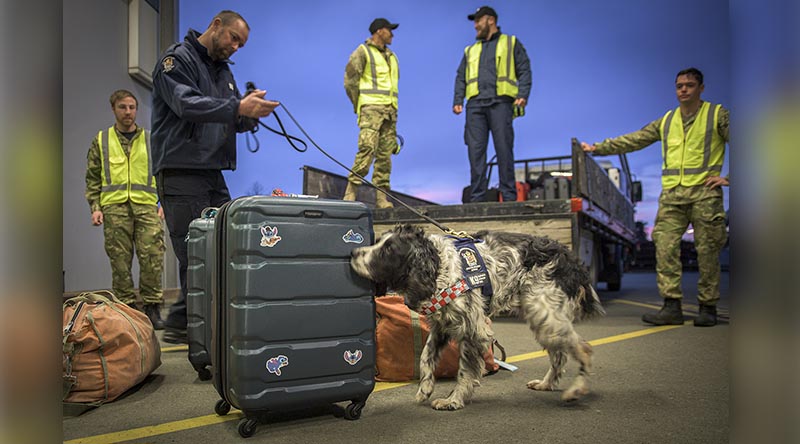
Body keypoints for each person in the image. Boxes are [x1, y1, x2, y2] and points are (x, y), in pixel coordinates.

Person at [151, 10, 279, 343]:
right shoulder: (176, 61)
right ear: (216, 25)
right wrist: (237, 107)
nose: (236, 47)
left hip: (212, 171)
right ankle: (193, 331)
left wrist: (250, 115)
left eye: (242, 43)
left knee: (224, 246)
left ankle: (186, 320)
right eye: (234, 38)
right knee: (195, 253)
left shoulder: (224, 72)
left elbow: (228, 114)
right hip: (181, 170)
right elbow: (187, 104)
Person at [581, 67, 729, 327]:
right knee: (665, 248)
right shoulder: (667, 120)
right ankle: (671, 306)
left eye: (690, 85)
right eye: (679, 85)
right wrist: (598, 147)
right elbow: (636, 139)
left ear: (701, 88)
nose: (683, 90)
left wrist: (729, 178)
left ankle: (708, 307)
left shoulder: (717, 115)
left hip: (705, 194)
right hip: (672, 196)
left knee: (707, 252)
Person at [85, 89, 166, 329]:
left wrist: (163, 203)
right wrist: (95, 207)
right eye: (123, 107)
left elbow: (163, 173)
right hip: (115, 208)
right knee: (119, 261)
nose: (128, 112)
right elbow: (92, 177)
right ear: (114, 109)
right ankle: (127, 310)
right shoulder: (101, 140)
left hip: (147, 207)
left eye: (132, 107)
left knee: (152, 257)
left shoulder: (151, 140)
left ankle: (152, 309)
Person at [453, 6, 532, 203]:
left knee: (504, 150)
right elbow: (460, 76)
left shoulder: (510, 43)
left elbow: (524, 69)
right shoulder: (470, 50)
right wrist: (457, 100)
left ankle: (509, 196)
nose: (475, 25)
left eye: (478, 21)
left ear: (490, 20)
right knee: (475, 152)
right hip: (475, 106)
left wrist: (523, 94)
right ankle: (477, 198)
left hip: (501, 104)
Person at [343, 17, 400, 209]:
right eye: (389, 30)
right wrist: (359, 105)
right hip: (371, 109)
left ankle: (381, 198)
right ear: (379, 31)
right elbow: (350, 81)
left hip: (390, 112)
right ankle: (350, 193)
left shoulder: (392, 57)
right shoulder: (363, 51)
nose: (392, 34)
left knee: (385, 156)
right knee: (366, 149)